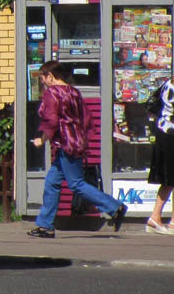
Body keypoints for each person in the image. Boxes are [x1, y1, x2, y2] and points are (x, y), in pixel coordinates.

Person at [29, 61, 127, 238]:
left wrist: (41, 140)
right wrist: (84, 140)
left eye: (43, 78)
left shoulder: (53, 93)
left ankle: (115, 207)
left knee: (76, 183)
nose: (43, 82)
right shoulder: (74, 92)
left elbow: (51, 120)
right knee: (52, 182)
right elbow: (87, 119)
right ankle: (45, 225)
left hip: (67, 144)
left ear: (50, 76)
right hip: (75, 142)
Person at [146, 76, 174, 234]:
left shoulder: (168, 82)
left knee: (169, 180)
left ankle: (157, 218)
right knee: (169, 179)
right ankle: (156, 217)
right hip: (170, 135)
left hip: (165, 133)